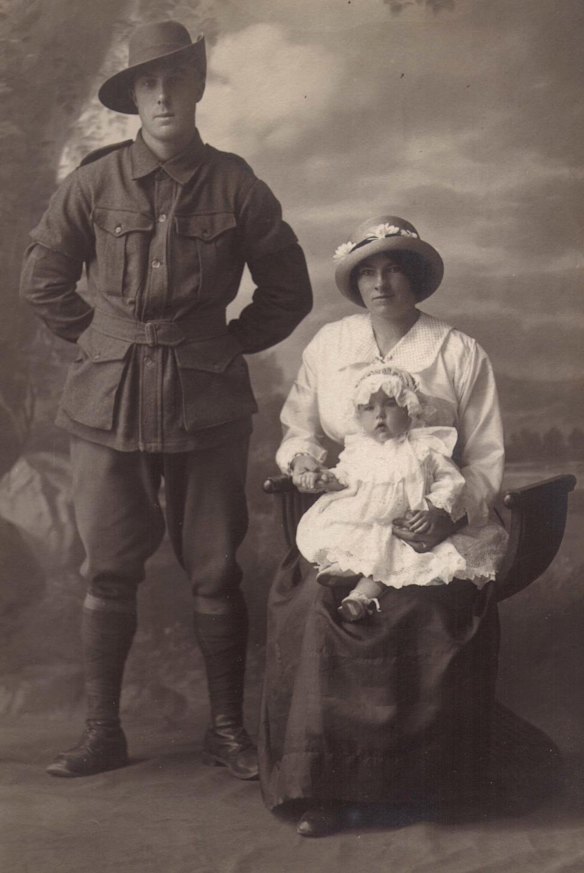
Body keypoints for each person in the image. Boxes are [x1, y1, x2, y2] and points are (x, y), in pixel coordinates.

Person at [20, 20, 312, 780]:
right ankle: (101, 731)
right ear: (133, 98)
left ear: (196, 88)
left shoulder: (237, 184)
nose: (162, 94)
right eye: (148, 82)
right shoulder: (93, 182)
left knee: (216, 571)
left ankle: (225, 729)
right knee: (107, 571)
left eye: (175, 78)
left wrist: (228, 342)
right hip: (106, 403)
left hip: (205, 400)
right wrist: (98, 338)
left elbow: (288, 288)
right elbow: (41, 278)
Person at [259, 214, 508, 836]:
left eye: (395, 267)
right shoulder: (330, 345)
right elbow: (298, 431)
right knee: (316, 605)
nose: (381, 282)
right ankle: (320, 785)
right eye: (367, 271)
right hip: (351, 518)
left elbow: (485, 461)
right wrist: (307, 462)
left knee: (421, 610)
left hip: (434, 528)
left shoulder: (457, 352)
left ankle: (411, 786)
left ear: (417, 276)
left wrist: (446, 514)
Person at [295, 366, 508, 621]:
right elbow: (346, 478)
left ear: (410, 408)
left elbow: (450, 481)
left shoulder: (424, 448)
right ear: (358, 415)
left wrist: (434, 507)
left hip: (406, 526)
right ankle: (350, 574)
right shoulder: (360, 450)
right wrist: (327, 479)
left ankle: (359, 598)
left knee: (396, 554)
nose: (380, 416)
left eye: (390, 405)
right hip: (368, 522)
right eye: (369, 408)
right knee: (362, 542)